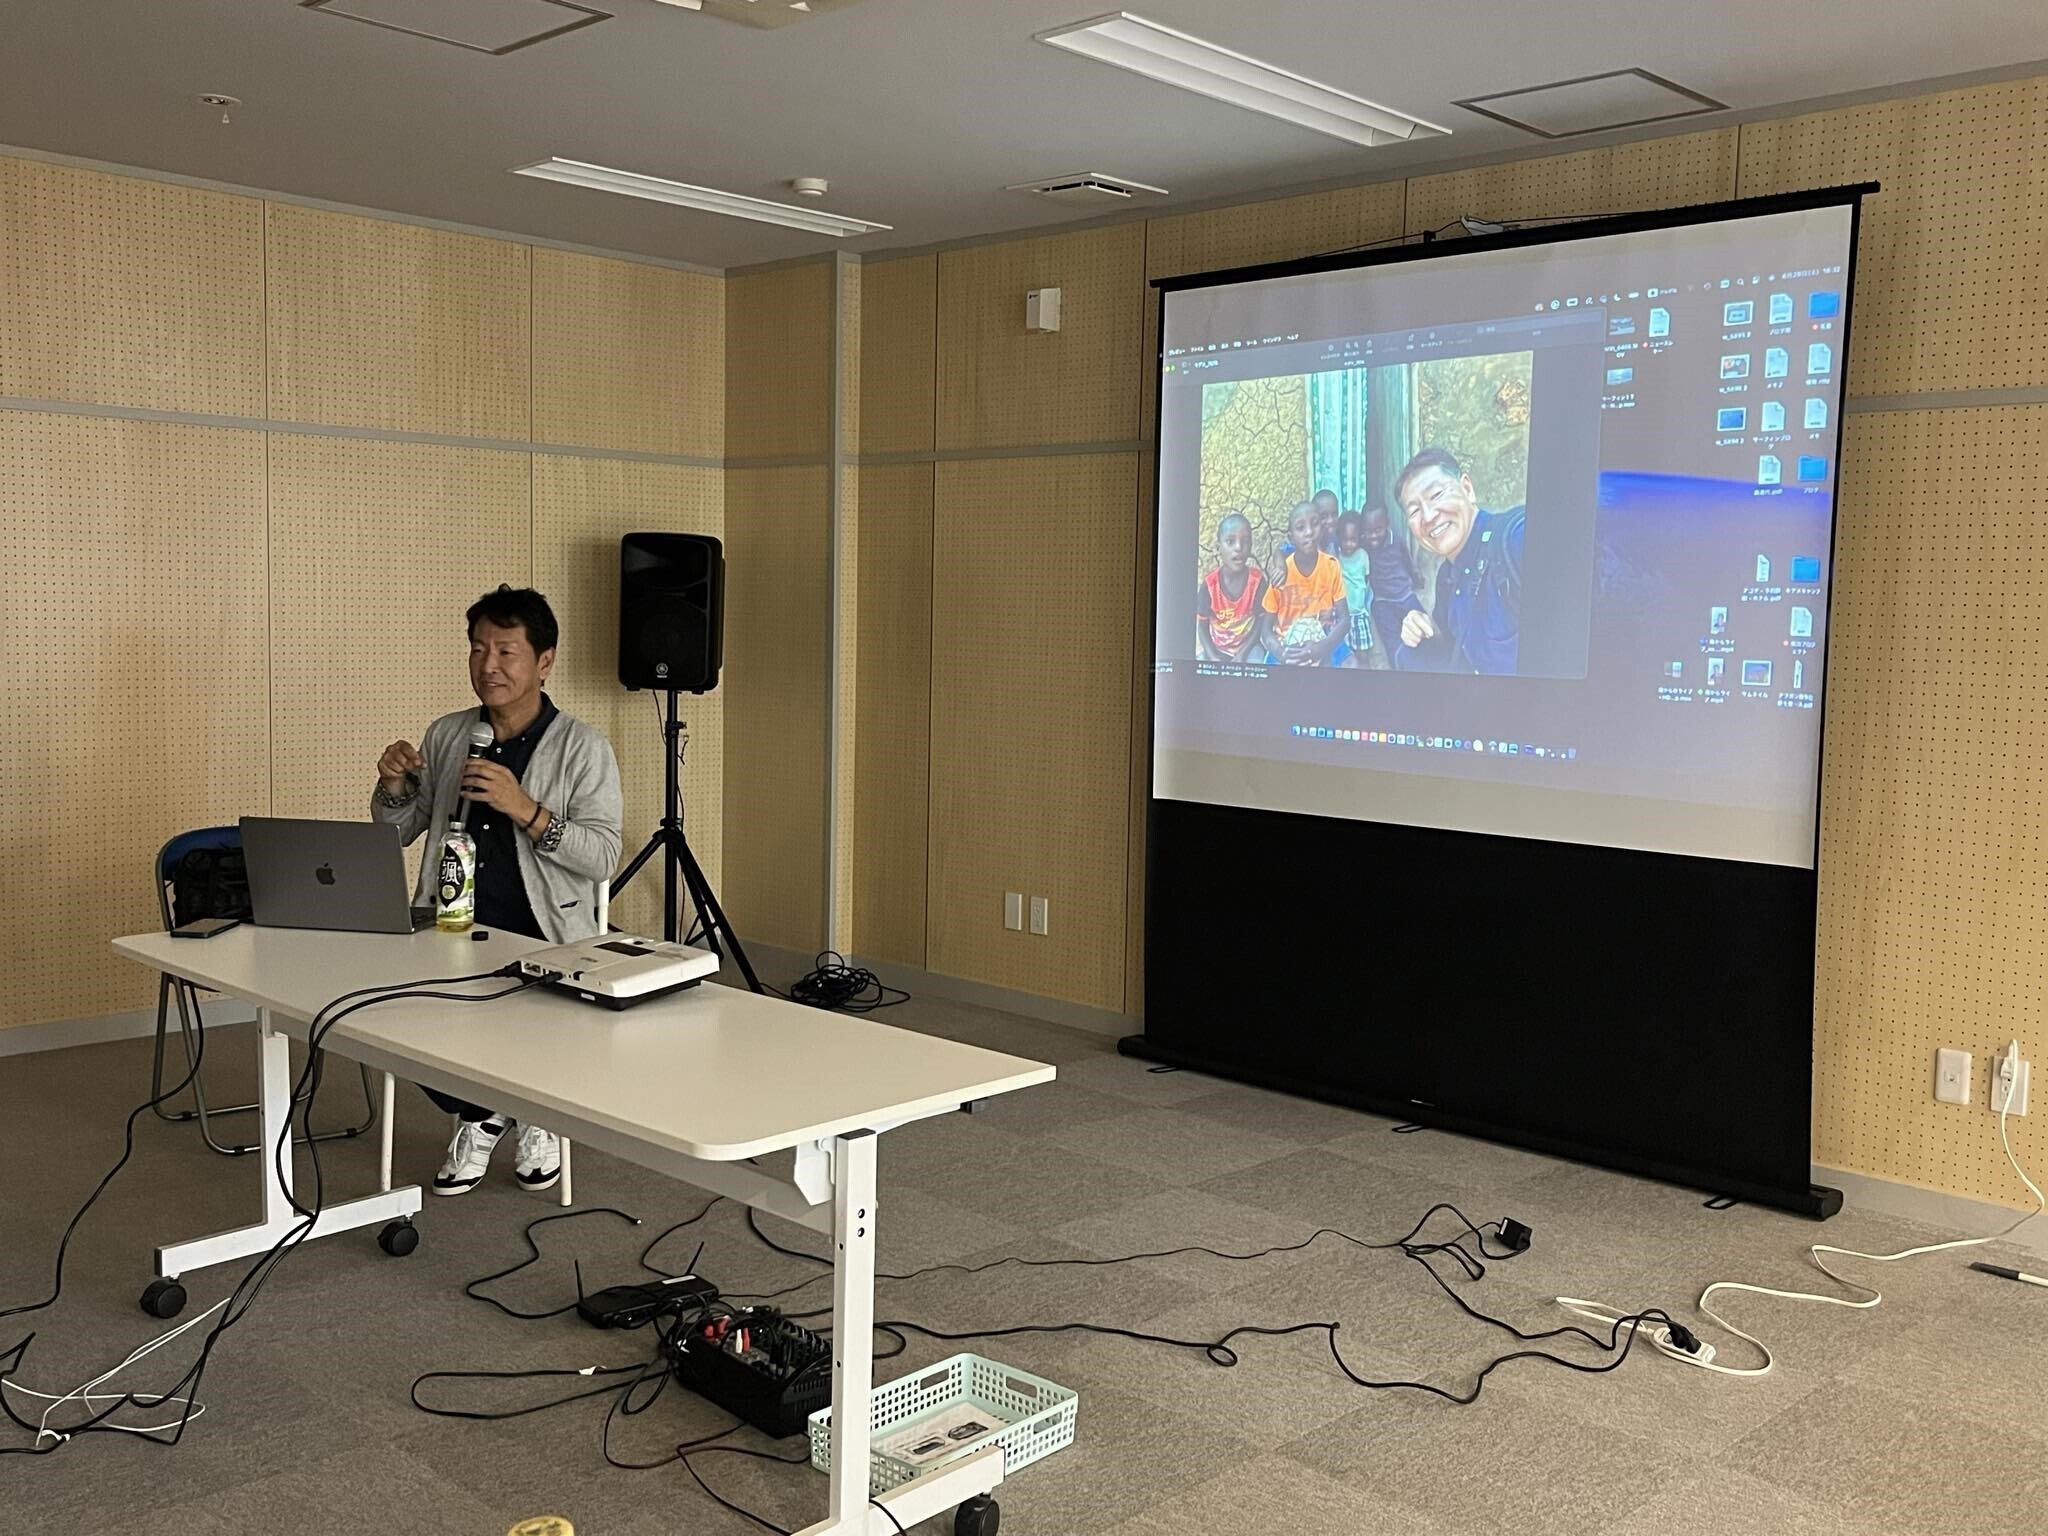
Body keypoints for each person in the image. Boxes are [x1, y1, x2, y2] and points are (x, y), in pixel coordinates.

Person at [372, 586, 623, 1196]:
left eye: (506, 651)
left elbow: (602, 856)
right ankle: (486, 1109)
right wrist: (395, 787)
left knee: (535, 1024)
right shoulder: (447, 734)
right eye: (478, 649)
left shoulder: (583, 747)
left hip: (547, 934)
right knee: (394, 1015)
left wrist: (526, 809)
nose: (489, 665)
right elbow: (396, 833)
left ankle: (529, 1111)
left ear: (544, 661)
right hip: (448, 923)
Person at [1389, 448, 1525, 675]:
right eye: (1414, 511)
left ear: (1467, 489)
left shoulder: (1514, 539)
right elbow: (1452, 654)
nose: (1428, 516)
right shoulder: (1447, 578)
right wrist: (1424, 631)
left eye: (1436, 495)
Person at [1259, 500, 1349, 666]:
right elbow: (1265, 630)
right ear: (1291, 537)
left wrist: (1322, 647)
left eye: (1315, 524)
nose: (1309, 532)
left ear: (1322, 528)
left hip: (1323, 637)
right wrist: (1282, 653)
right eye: (1301, 528)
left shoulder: (1331, 566)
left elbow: (1345, 621)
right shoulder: (1282, 573)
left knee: (1353, 665)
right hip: (1287, 642)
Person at [1196, 512, 1269, 663]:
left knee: (1258, 663)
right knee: (1200, 666)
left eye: (1245, 541)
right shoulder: (1209, 586)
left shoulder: (1257, 582)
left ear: (1251, 546)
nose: (1238, 547)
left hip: (1249, 647)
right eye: (1230, 541)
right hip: (1218, 648)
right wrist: (1212, 656)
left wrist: (1243, 654)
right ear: (1218, 548)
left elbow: (1260, 622)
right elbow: (1202, 627)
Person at [1359, 504, 1424, 651]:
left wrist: (1416, 577)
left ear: (1387, 524)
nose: (1373, 536)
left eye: (1378, 530)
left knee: (1423, 629)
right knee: (1392, 642)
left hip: (1405, 595)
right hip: (1382, 600)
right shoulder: (1363, 545)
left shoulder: (1397, 540)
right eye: (1368, 531)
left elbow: (1407, 561)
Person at [1334, 512, 1375, 665]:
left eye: (1353, 540)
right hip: (1342, 615)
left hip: (1359, 614)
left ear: (1359, 538)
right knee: (1345, 655)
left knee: (1362, 654)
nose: (1349, 544)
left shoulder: (1363, 555)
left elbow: (1366, 580)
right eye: (1345, 539)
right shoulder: (1337, 557)